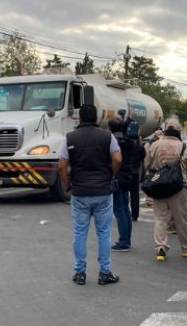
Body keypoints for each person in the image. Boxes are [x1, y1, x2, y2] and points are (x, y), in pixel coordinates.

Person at [58, 103, 120, 285]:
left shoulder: (70, 138)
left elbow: (61, 165)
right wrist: (110, 174)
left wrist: (67, 184)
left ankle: (80, 273)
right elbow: (117, 158)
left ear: (80, 118)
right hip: (102, 192)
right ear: (97, 118)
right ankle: (105, 273)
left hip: (80, 192)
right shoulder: (107, 136)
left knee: (79, 233)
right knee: (103, 233)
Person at [145, 119, 187, 261]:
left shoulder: (154, 145)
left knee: (160, 218)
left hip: (158, 186)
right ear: (179, 132)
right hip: (177, 187)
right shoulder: (183, 146)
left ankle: (160, 247)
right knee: (181, 219)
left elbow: (147, 165)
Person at [108, 117, 134, 252]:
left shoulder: (113, 141)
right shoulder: (127, 140)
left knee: (119, 210)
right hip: (127, 177)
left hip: (117, 177)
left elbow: (114, 160)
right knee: (125, 209)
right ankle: (127, 239)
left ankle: (123, 241)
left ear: (110, 128)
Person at [129, 135, 146, 221]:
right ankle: (135, 215)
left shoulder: (124, 142)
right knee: (135, 194)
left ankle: (125, 212)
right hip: (135, 171)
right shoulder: (139, 145)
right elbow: (143, 157)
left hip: (125, 171)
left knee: (123, 194)